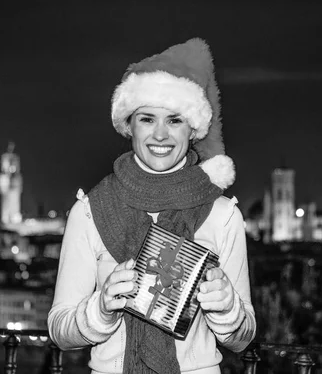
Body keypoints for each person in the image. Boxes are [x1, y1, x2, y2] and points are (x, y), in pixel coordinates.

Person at [48, 38, 256, 374]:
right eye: (147, 119)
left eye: (174, 120)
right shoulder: (89, 211)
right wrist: (100, 311)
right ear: (129, 125)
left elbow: (242, 339)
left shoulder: (223, 215)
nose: (160, 135)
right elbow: (60, 331)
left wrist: (228, 309)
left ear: (193, 129)